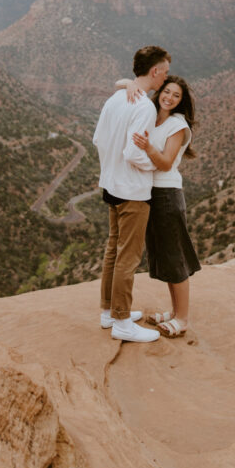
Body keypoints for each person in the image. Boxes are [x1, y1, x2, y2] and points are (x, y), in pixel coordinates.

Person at [93, 45, 171, 342]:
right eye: (163, 72)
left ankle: (108, 311)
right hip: (133, 192)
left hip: (111, 186)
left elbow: (98, 139)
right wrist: (156, 164)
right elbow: (133, 153)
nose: (165, 78)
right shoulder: (144, 107)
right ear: (154, 71)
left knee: (113, 250)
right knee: (128, 257)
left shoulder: (115, 99)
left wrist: (111, 167)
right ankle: (122, 322)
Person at [132, 75, 200, 338]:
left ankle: (182, 319)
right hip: (153, 194)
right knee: (168, 256)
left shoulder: (177, 124)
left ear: (181, 102)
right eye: (167, 92)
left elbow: (166, 163)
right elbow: (127, 85)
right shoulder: (154, 117)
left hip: (167, 194)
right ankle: (174, 312)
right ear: (159, 91)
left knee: (175, 257)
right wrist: (129, 85)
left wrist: (147, 146)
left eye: (176, 96)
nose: (169, 98)